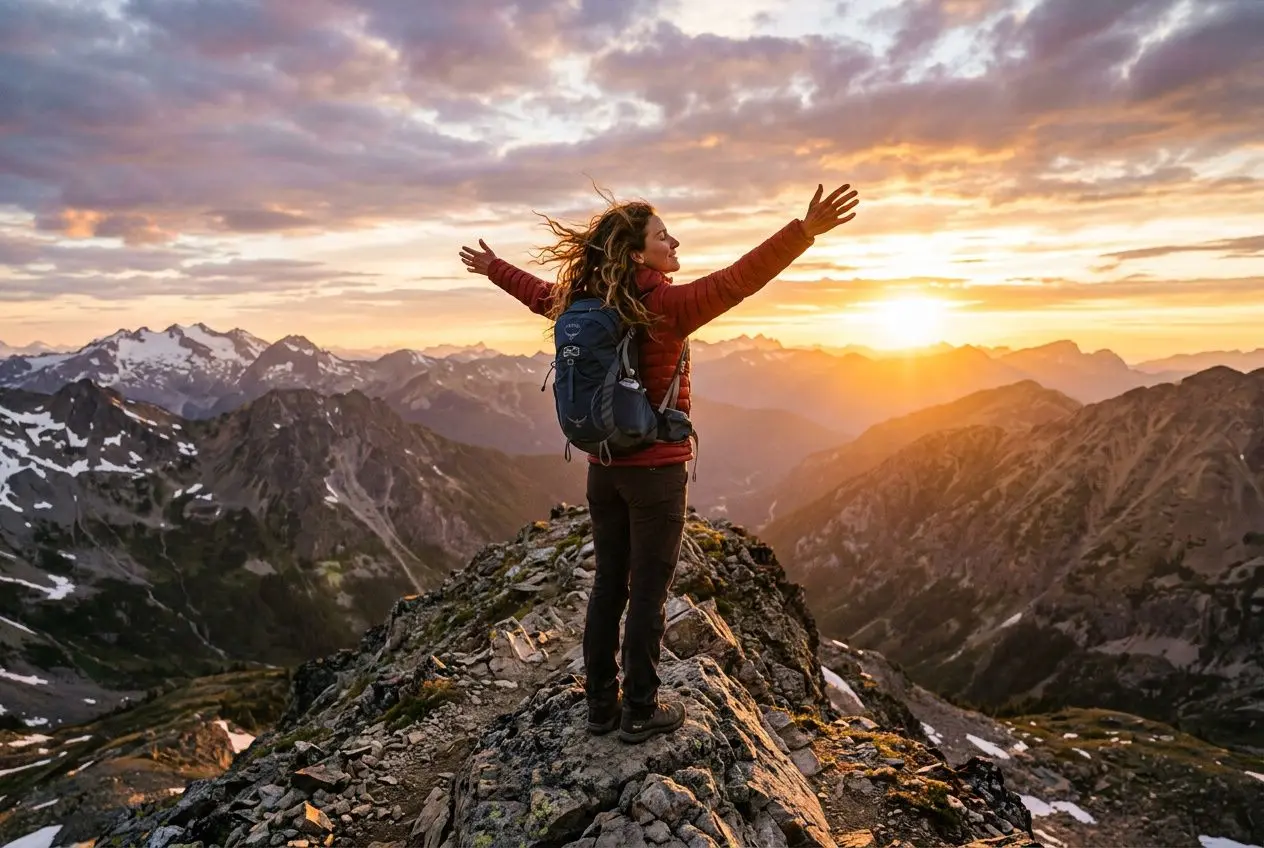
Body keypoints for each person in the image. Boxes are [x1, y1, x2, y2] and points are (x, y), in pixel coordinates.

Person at [459, 182, 860, 743]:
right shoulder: (666, 306)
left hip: (604, 469)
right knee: (648, 593)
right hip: (656, 474)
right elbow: (738, 280)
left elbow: (535, 292)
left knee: (607, 587)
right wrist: (803, 232)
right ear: (635, 253)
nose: (674, 241)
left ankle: (600, 706)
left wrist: (493, 266)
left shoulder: (582, 302)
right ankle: (640, 710)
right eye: (661, 236)